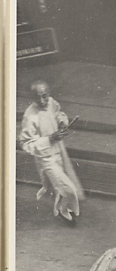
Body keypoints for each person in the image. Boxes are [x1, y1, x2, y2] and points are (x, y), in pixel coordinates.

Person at [19, 80, 84, 226]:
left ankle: (61, 208)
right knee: (68, 188)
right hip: (46, 158)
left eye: (45, 96)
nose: (42, 101)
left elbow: (58, 113)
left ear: (49, 93)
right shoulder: (30, 116)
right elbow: (25, 143)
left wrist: (62, 122)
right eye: (38, 97)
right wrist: (49, 139)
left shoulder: (51, 102)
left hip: (59, 152)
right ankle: (63, 211)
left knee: (60, 186)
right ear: (32, 97)